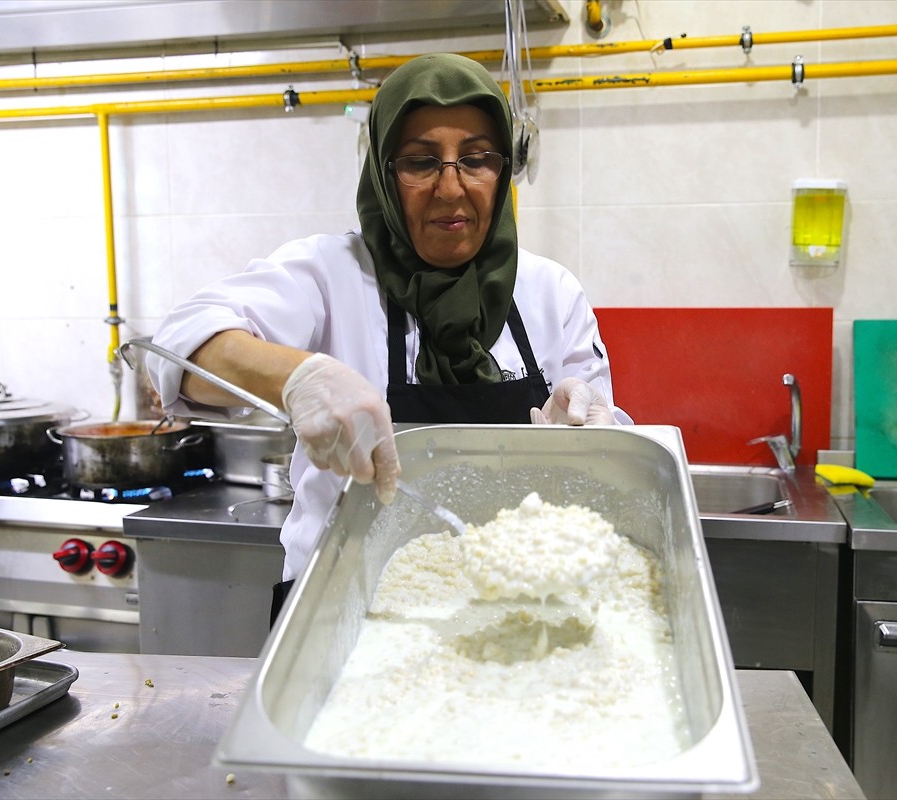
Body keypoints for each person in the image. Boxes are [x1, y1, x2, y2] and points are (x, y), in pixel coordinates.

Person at [146, 53, 632, 618]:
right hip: (341, 610)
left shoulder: (550, 291)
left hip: (517, 608)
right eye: (421, 163)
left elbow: (612, 453)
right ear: (381, 168)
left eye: (476, 160)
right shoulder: (329, 274)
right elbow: (178, 346)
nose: (451, 189)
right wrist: (296, 377)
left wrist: (591, 428)